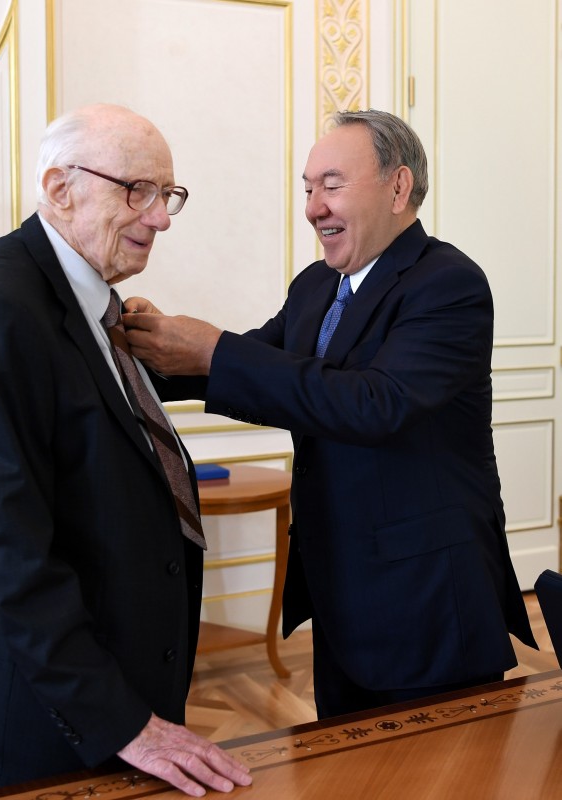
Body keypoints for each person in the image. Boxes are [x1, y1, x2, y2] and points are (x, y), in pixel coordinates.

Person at [122, 109, 538, 717]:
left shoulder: (449, 284)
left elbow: (375, 404)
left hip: (427, 601)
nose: (314, 207)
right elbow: (255, 369)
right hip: (342, 591)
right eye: (308, 188)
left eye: (332, 185)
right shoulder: (316, 285)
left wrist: (213, 349)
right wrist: (137, 355)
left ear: (398, 187)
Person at [0, 104, 251, 797]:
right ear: (59, 188)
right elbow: (6, 551)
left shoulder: (86, 299)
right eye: (137, 190)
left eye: (167, 195)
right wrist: (120, 721)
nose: (160, 218)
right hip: (50, 717)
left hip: (111, 688)